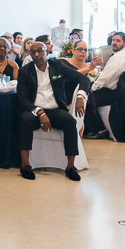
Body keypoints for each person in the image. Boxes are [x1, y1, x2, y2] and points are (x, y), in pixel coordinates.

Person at [16, 42, 89, 181]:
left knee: (69, 122)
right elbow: (22, 99)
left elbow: (83, 79)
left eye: (40, 51)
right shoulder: (25, 71)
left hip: (55, 109)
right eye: (33, 52)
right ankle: (25, 165)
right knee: (25, 120)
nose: (37, 54)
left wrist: (80, 95)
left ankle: (71, 167)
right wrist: (39, 112)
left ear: (47, 51)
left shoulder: (58, 66)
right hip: (34, 110)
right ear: (30, 55)